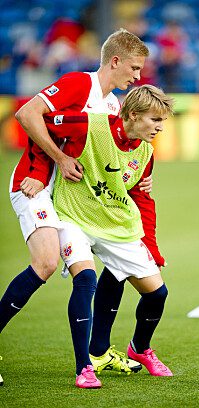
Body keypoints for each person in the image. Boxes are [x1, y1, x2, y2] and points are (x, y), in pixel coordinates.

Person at [0, 29, 153, 374]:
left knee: (99, 266)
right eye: (134, 67)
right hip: (34, 184)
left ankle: (95, 355)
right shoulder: (78, 84)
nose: (138, 76)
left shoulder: (114, 105)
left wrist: (139, 177)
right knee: (45, 263)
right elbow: (27, 114)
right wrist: (56, 160)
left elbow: (110, 159)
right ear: (115, 61)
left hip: (69, 199)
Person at [44, 84, 174, 387]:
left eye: (163, 122)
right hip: (74, 216)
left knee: (157, 294)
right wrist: (52, 163)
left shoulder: (145, 151)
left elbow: (142, 200)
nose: (159, 128)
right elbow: (42, 121)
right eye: (154, 120)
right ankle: (84, 367)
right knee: (86, 280)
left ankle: (139, 349)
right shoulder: (93, 124)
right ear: (131, 114)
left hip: (117, 224)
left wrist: (151, 248)